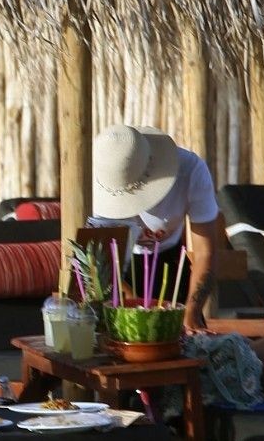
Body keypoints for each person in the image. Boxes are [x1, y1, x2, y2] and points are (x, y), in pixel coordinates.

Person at [90, 124, 219, 332]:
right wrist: (133, 303)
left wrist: (191, 310)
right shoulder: (100, 177)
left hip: (171, 267)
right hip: (117, 272)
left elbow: (205, 251)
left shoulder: (190, 170)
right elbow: (99, 258)